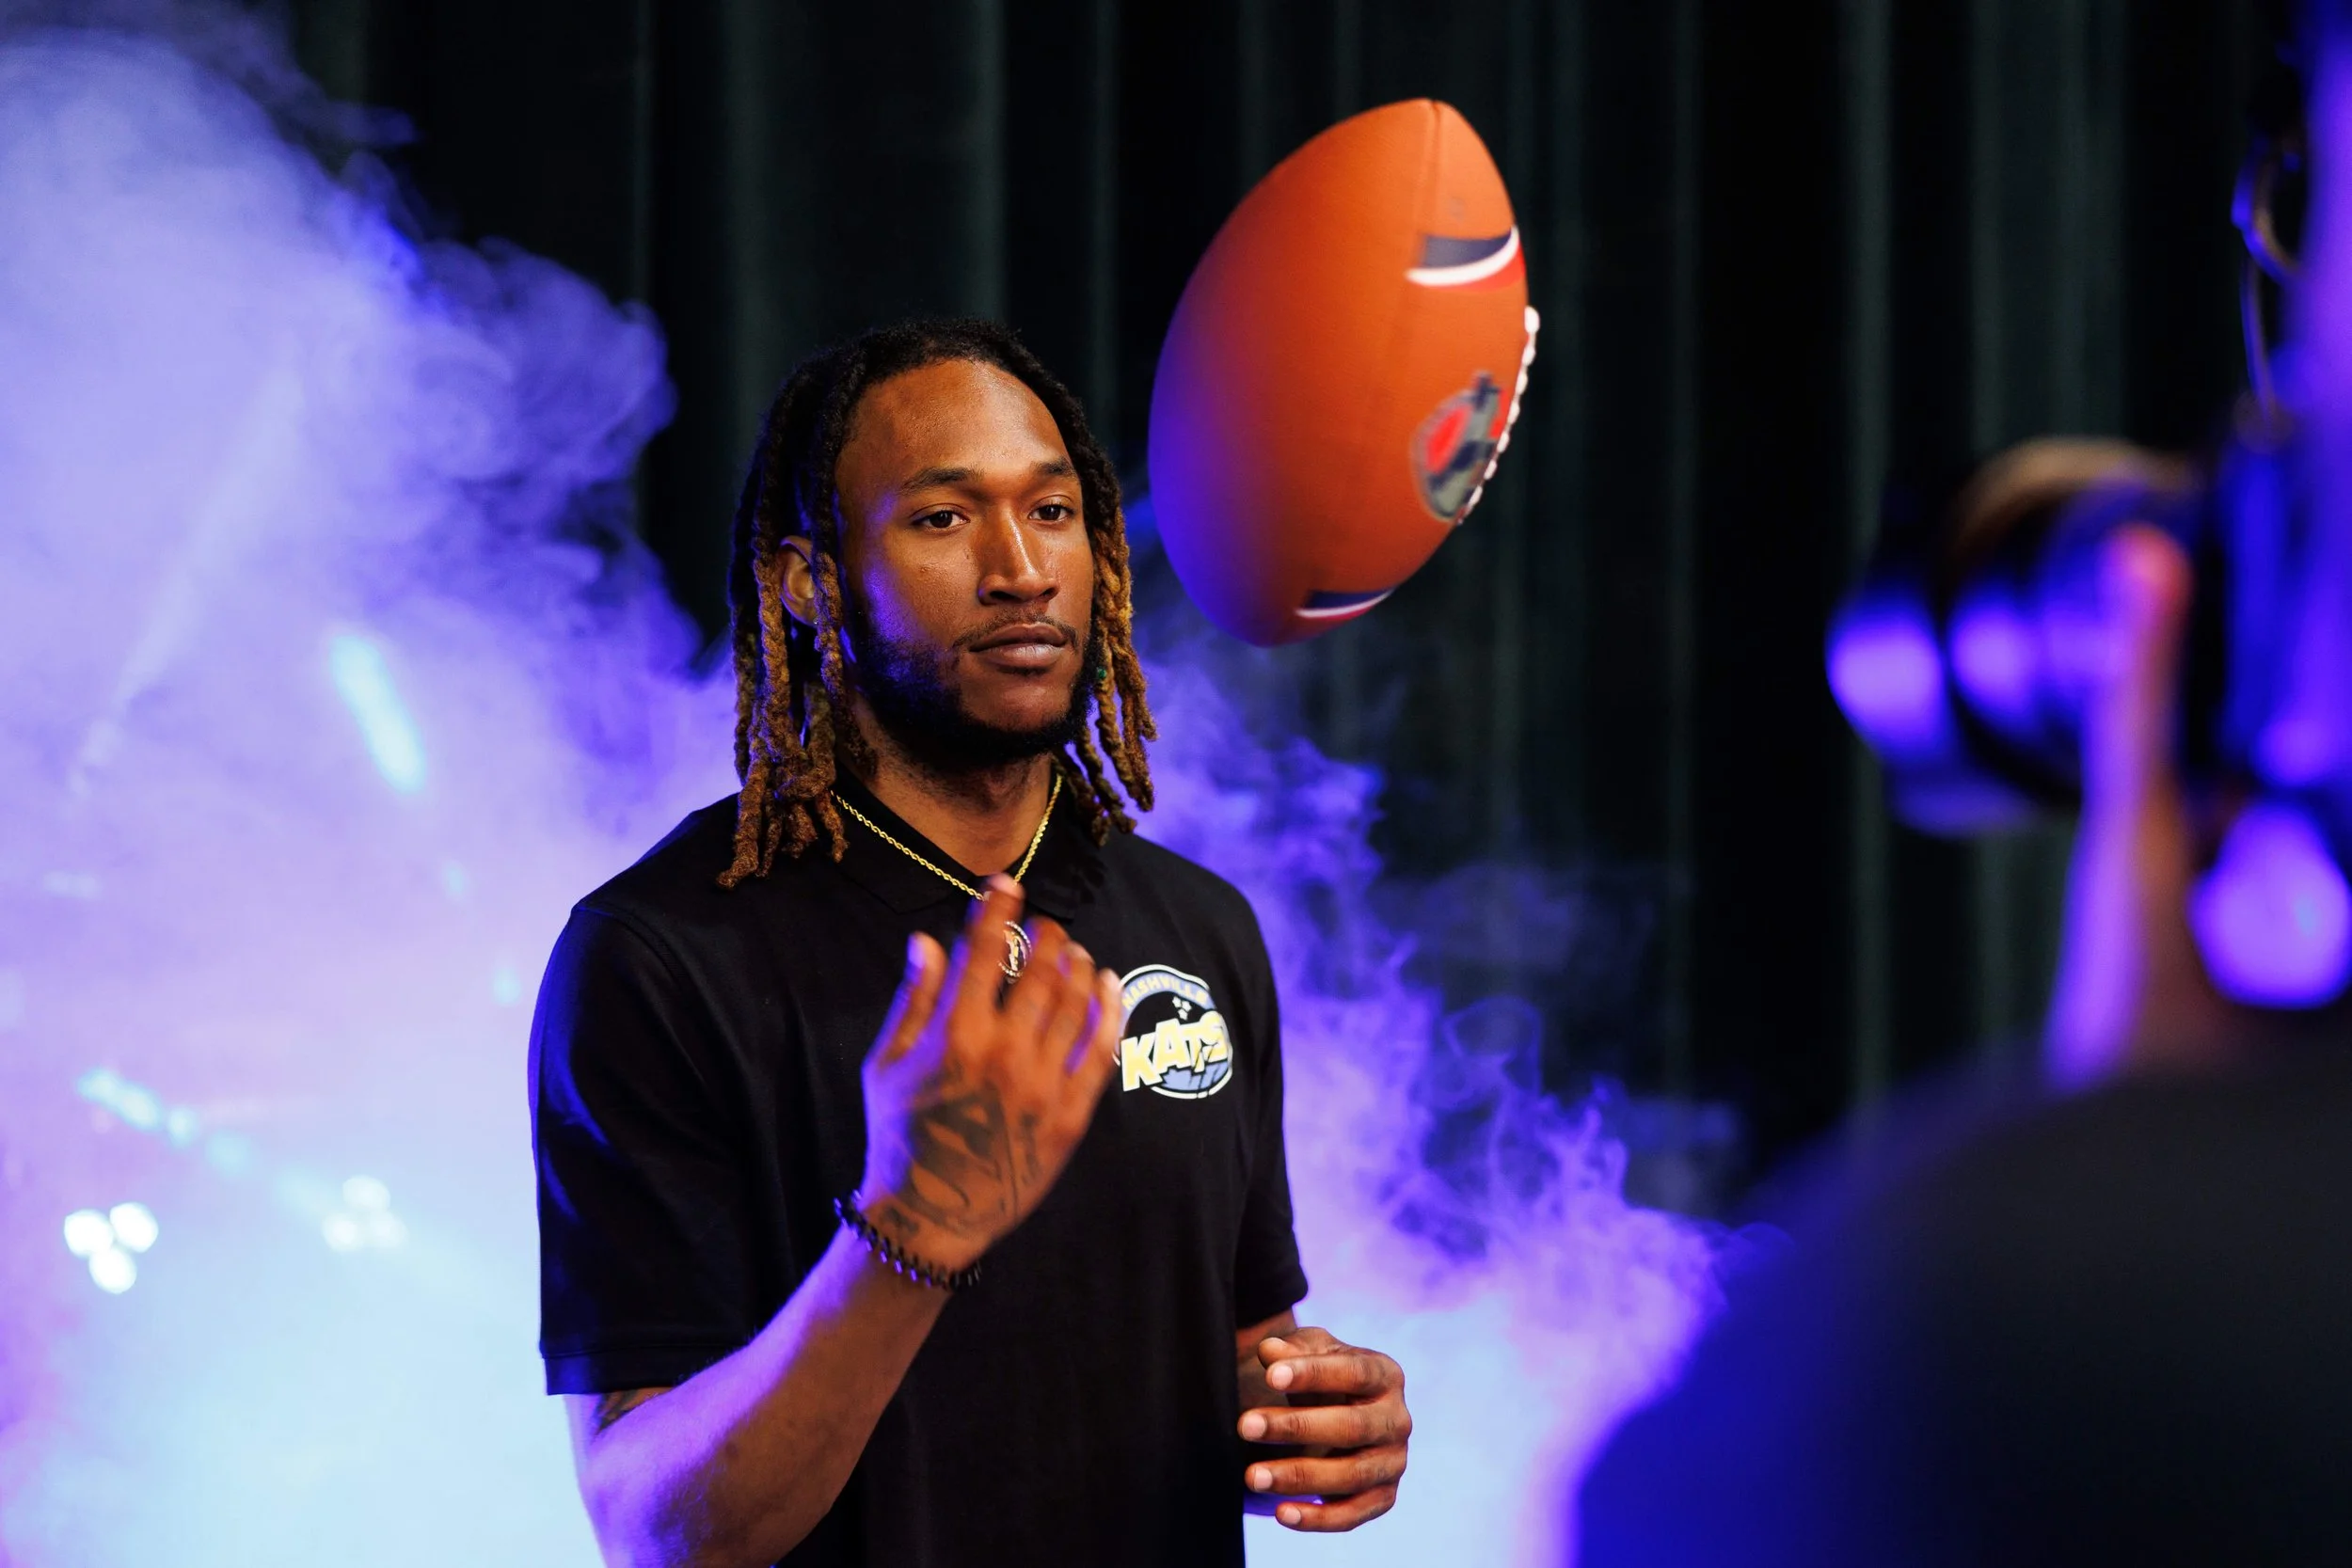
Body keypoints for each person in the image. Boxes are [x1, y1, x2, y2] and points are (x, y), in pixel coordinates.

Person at [529, 319, 1411, 1568]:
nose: (1022, 569)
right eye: (943, 519)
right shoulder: (661, 956)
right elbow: (659, 1533)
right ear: (810, 582)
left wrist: (1308, 1419)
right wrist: (910, 1230)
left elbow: (1223, 1354)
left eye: (1052, 512)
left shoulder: (1198, 927)